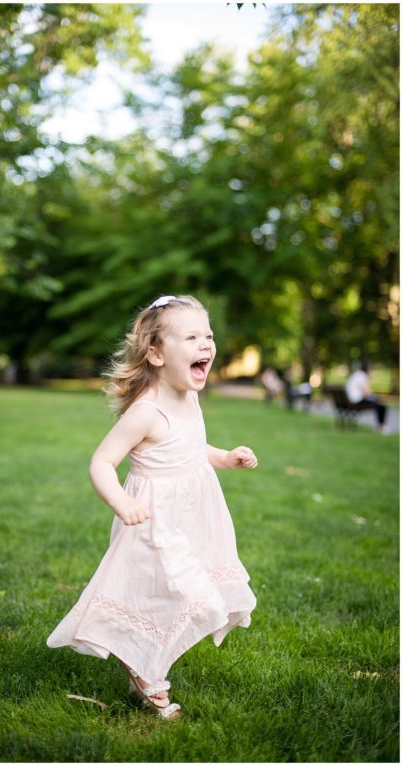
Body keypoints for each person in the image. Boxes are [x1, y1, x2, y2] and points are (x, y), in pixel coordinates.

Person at [46, 295, 258, 721]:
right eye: (192, 337)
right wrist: (121, 501)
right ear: (157, 353)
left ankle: (143, 662)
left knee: (167, 597)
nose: (206, 345)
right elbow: (102, 462)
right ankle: (147, 672)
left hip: (193, 518)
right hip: (152, 520)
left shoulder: (190, 398)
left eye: (209, 336)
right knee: (186, 596)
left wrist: (225, 457)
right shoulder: (145, 412)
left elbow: (194, 449)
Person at [345, 360, 389, 433]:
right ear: (368, 369)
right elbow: (366, 394)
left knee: (378, 402)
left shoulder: (357, 374)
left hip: (350, 401)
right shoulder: (363, 376)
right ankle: (381, 427)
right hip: (356, 401)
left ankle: (381, 426)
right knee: (381, 405)